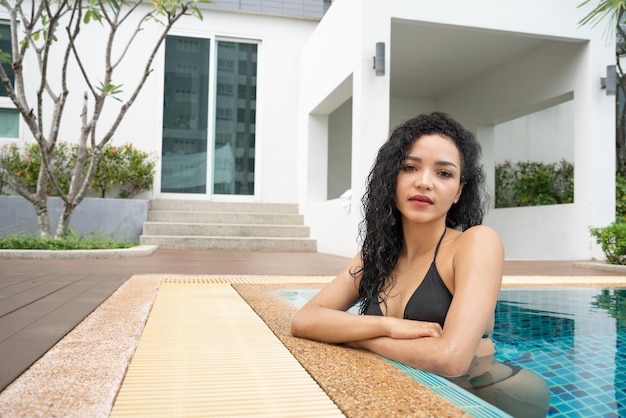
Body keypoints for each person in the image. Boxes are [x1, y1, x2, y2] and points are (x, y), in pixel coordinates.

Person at [290, 112, 550, 417]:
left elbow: (451, 360)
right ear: (392, 180)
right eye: (410, 167)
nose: (424, 182)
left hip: (491, 395)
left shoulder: (476, 243)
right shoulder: (377, 256)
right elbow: (304, 320)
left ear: (459, 191)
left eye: (444, 173)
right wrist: (390, 326)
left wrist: (352, 333)